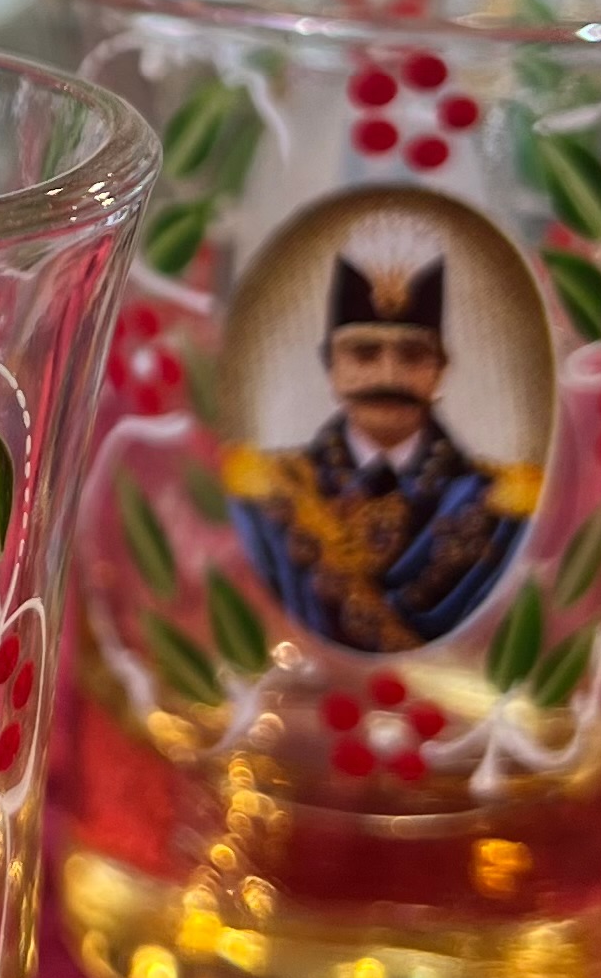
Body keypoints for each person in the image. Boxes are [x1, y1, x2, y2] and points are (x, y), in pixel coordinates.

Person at [221, 218, 538, 654]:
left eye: (413, 354)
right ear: (331, 367)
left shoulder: (501, 506)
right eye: (364, 353)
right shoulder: (268, 492)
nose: (389, 375)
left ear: (440, 369)